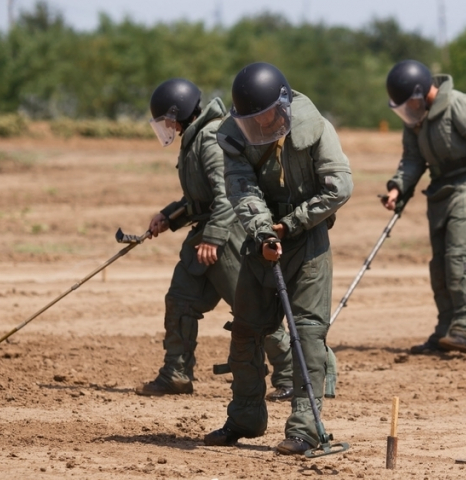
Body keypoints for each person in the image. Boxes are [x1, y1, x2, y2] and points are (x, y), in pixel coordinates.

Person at [204, 62, 353, 455]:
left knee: (307, 334)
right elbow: (241, 187)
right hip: (262, 240)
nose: (260, 125)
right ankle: (245, 418)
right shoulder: (236, 138)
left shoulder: (317, 128)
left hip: (307, 243)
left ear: (283, 103)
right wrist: (265, 230)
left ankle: (305, 429)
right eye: (251, 120)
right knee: (246, 330)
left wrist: (291, 224)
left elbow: (340, 186)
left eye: (265, 116)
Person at [136, 78, 295, 401]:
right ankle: (176, 373)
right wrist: (169, 216)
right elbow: (200, 197)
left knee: (253, 309)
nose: (165, 126)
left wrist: (213, 238)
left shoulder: (209, 138)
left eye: (166, 119)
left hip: (226, 239)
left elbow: (226, 196)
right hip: (206, 239)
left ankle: (291, 376)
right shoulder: (195, 137)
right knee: (181, 300)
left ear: (177, 113)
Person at [380, 60, 466, 355]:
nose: (407, 111)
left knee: (458, 259)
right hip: (438, 191)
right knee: (439, 266)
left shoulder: (458, 106)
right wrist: (397, 187)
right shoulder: (416, 118)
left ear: (420, 93)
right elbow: (412, 159)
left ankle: (465, 329)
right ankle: (444, 330)